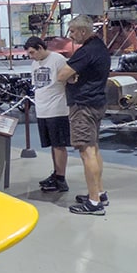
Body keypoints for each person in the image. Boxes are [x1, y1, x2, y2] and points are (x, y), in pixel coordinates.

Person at [58, 15, 111, 216]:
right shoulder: (101, 47)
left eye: (72, 31)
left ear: (82, 31)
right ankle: (99, 192)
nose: (70, 35)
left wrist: (71, 79)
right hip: (97, 103)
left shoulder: (86, 52)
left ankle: (94, 202)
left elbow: (61, 75)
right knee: (94, 148)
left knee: (86, 152)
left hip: (83, 106)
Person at [24, 36, 70, 193]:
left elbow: (68, 79)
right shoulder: (35, 63)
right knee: (52, 145)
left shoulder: (58, 59)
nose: (31, 56)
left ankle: (61, 179)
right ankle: (56, 174)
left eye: (32, 52)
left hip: (57, 109)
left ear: (40, 48)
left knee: (59, 145)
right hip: (42, 109)